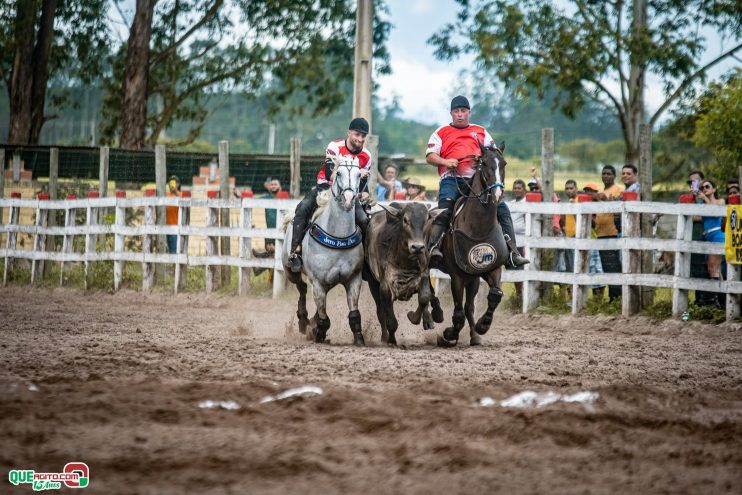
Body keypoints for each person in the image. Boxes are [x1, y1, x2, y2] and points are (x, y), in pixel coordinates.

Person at [425, 95, 529, 268]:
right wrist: (446, 162)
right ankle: (434, 247)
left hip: (477, 181)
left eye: (463, 111)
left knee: (502, 209)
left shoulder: (480, 131)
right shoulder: (441, 132)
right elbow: (429, 156)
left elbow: (494, 153)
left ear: (469, 112)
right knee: (444, 209)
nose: (460, 115)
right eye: (456, 111)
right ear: (451, 113)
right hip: (452, 179)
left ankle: (513, 252)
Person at [287, 117, 372, 273]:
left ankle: (367, 259)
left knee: (364, 220)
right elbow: (328, 173)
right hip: (326, 186)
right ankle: (296, 251)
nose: (360, 139)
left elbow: (361, 185)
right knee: (303, 207)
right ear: (349, 133)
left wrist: (361, 184)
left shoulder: (366, 156)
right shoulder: (335, 146)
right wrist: (353, 173)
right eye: (357, 135)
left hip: (350, 193)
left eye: (363, 136)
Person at [687, 170, 717, 307]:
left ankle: (710, 299)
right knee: (695, 265)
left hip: (709, 234)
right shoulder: (690, 198)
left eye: (696, 181)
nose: (694, 184)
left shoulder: (709, 196)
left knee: (710, 267)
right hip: (694, 234)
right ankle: (700, 299)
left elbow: (702, 216)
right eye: (691, 182)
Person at [594, 165, 623, 301]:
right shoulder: (600, 191)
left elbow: (619, 209)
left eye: (609, 174)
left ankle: (616, 297)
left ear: (614, 176)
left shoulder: (619, 190)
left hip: (612, 232)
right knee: (606, 266)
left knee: (614, 266)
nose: (605, 176)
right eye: (604, 174)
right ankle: (613, 297)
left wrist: (605, 200)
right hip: (600, 233)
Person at [696, 180, 726, 291]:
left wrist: (704, 198)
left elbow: (715, 213)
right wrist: (697, 199)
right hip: (707, 237)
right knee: (712, 268)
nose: (704, 188)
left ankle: (715, 298)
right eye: (702, 187)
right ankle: (719, 296)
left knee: (713, 267)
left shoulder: (720, 201)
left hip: (718, 235)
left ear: (714, 189)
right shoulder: (703, 204)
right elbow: (695, 217)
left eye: (707, 186)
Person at [583, 182, 607, 299]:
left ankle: (598, 300)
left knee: (597, 269)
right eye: (586, 191)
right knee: (590, 269)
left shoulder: (598, 205)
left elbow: (595, 224)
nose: (588, 193)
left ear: (597, 193)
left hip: (595, 240)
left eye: (591, 191)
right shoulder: (585, 204)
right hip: (588, 240)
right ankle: (593, 300)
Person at [508, 179, 527, 297]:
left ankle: (522, 295)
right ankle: (519, 295)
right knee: (513, 267)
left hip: (523, 241)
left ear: (524, 189)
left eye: (519, 188)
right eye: (515, 188)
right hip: (512, 241)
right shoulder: (511, 203)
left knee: (521, 267)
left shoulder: (527, 202)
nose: (517, 190)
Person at [259, 178, 282, 255]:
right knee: (270, 249)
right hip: (270, 230)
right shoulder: (266, 198)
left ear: (280, 187)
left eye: (275, 184)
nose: (273, 186)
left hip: (281, 230)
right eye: (271, 185)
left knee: (277, 251)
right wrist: (237, 195)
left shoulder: (285, 197)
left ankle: (261, 259)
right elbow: (250, 201)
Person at [165, 175, 181, 253]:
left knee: (174, 251)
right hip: (165, 227)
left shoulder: (180, 194)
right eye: (170, 182)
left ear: (178, 184)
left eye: (174, 182)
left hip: (175, 227)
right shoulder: (166, 195)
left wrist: (176, 192)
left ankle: (174, 265)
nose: (172, 185)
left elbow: (184, 202)